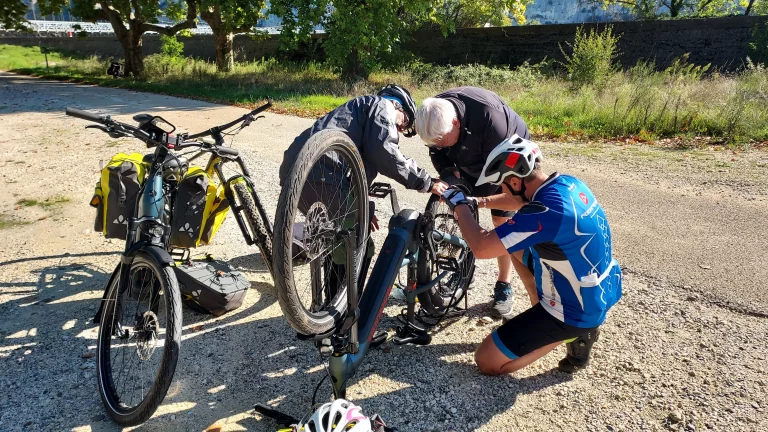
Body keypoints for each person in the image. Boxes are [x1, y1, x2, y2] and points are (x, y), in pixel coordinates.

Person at [440, 135, 622, 374]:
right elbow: (519, 202)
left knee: (487, 361)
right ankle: (542, 312)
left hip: (577, 309)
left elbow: (482, 247)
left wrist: (459, 206)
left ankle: (571, 333)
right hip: (601, 285)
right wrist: (478, 201)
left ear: (515, 182)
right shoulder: (566, 184)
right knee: (511, 244)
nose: (502, 191)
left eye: (503, 185)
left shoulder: (546, 213)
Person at [415, 86, 531, 319]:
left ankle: (504, 284)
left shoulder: (491, 121)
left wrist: (480, 200)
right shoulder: (434, 114)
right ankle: (463, 268)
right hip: (470, 150)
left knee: (501, 222)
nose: (438, 146)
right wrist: (448, 171)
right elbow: (437, 150)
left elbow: (501, 179)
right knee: (458, 203)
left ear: (455, 123)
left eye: (441, 141)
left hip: (505, 156)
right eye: (433, 143)